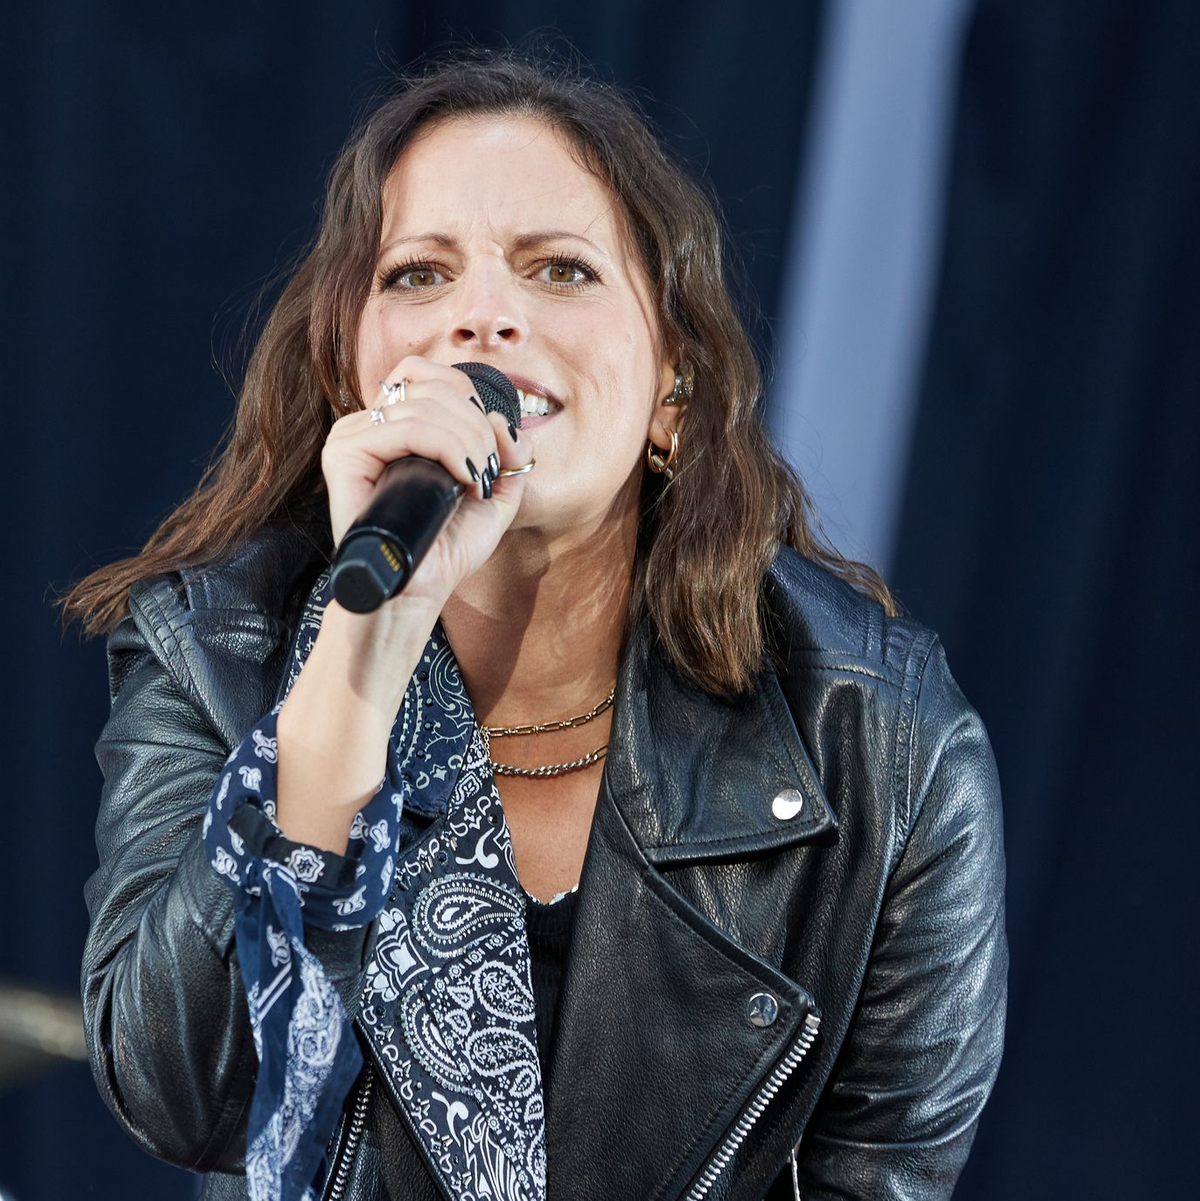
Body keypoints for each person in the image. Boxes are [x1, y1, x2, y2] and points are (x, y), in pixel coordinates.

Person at [65, 48, 1007, 1201]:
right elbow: (179, 1093)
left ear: (676, 386)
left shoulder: (884, 743)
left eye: (560, 270)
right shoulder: (217, 652)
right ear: (350, 368)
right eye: (418, 275)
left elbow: (885, 1174)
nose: (484, 318)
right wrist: (358, 661)